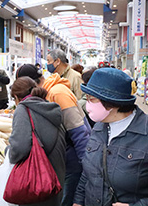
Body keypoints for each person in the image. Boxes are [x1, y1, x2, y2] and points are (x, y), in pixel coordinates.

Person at [16, 64, 90, 206]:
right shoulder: (47, 92)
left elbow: (80, 132)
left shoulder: (57, 93)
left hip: (72, 163)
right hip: (64, 160)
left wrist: (87, 170)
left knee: (67, 200)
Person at [73, 68, 148, 206]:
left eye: (92, 99)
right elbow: (88, 173)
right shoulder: (99, 127)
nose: (87, 104)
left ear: (111, 103)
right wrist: (78, 201)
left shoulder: (144, 134)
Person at [9, 76, 66, 206]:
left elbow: (20, 147)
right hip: (56, 176)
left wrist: (10, 153)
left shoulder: (23, 109)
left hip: (37, 180)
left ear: (17, 97)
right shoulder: (50, 107)